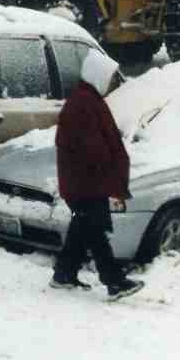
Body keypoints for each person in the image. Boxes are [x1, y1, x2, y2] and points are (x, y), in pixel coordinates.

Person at [52, 49, 143, 301]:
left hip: (81, 181)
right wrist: (108, 172)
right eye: (111, 77)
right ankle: (114, 281)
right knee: (94, 231)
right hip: (85, 182)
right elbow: (92, 147)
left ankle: (63, 273)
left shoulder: (86, 100)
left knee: (82, 227)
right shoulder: (84, 104)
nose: (113, 82)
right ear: (97, 76)